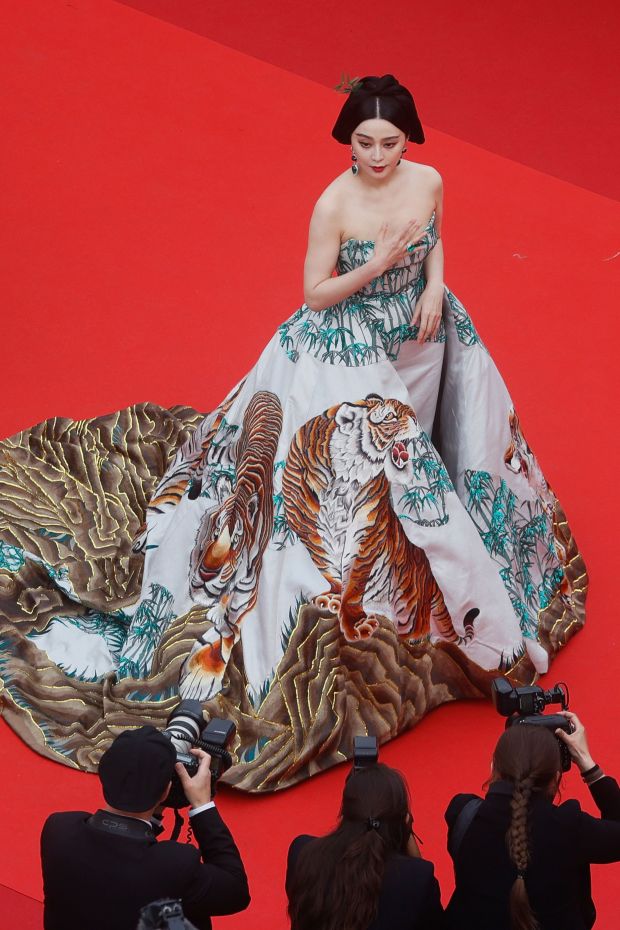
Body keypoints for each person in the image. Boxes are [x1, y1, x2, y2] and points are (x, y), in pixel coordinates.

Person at [0, 74, 586, 793]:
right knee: (378, 474)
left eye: (390, 143)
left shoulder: (430, 179)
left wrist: (433, 284)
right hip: (347, 342)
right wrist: (376, 263)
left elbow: (435, 242)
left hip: (422, 334)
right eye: (365, 142)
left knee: (442, 437)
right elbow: (313, 293)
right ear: (349, 141)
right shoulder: (333, 204)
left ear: (411, 140)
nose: (377, 154)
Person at [40, 726, 250, 930]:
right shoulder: (177, 866)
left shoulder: (58, 831)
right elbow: (236, 892)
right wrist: (202, 806)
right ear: (167, 790)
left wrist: (153, 807)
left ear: (104, 775)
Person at [445, 713, 620, 929]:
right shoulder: (570, 827)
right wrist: (589, 766)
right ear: (556, 780)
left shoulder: (462, 813)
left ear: (493, 768)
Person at [286, 762, 443, 930]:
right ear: (402, 821)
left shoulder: (302, 853)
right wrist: (409, 840)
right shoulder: (417, 879)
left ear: (346, 811)